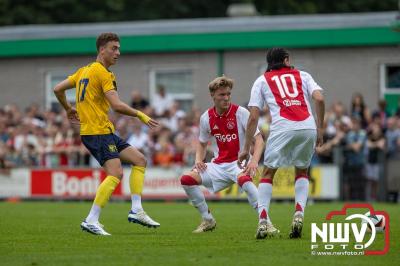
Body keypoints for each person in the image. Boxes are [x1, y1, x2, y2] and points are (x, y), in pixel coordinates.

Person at [53, 32, 160, 235]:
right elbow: (117, 106)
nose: (118, 53)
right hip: (97, 132)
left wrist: (68, 108)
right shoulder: (103, 73)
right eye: (114, 48)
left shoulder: (83, 71)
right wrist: (141, 115)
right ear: (102, 50)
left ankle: (136, 210)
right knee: (116, 173)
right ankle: (91, 219)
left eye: (119, 48)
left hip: (103, 131)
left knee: (139, 160)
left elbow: (57, 89)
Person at [238, 48, 325, 239]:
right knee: (302, 171)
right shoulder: (303, 75)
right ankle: (299, 214)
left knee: (268, 173)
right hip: (307, 127)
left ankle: (262, 220)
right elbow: (319, 98)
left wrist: (246, 148)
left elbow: (253, 117)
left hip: (282, 128)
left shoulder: (262, 80)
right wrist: (320, 129)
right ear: (286, 60)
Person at [180, 76, 264, 233]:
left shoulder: (241, 113)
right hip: (218, 165)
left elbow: (259, 140)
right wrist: (199, 159)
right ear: (213, 95)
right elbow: (202, 143)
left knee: (245, 180)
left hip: (239, 163)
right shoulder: (206, 117)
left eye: (228, 94)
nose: (226, 98)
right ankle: (207, 219)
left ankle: (265, 222)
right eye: (222, 95)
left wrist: (254, 161)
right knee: (186, 179)